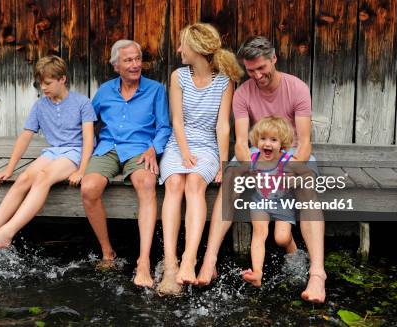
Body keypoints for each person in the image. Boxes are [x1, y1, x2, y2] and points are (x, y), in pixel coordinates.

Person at [197, 36, 327, 303]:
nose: (257, 75)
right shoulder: (243, 92)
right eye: (251, 70)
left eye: (261, 68)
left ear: (274, 59)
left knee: (306, 185)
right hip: (258, 153)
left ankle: (317, 274)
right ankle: (210, 261)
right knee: (231, 176)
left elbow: (303, 142)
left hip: (290, 153)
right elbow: (242, 144)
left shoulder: (297, 88)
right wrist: (256, 172)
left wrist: (286, 172)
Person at [0, 56, 96, 260]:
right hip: (54, 151)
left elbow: (88, 139)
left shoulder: (82, 102)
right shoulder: (40, 106)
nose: (43, 88)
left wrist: (81, 170)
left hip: (75, 151)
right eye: (40, 83)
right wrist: (8, 169)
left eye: (48, 83)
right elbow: (25, 137)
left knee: (43, 176)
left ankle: (7, 234)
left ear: (62, 79)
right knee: (23, 178)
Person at [156, 23, 241, 295]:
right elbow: (177, 121)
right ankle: (170, 263)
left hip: (207, 145)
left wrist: (223, 164)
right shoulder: (179, 76)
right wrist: (183, 152)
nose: (179, 49)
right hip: (179, 143)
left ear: (196, 49)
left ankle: (190, 259)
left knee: (194, 184)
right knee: (173, 185)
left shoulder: (225, 79)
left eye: (183, 45)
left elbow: (222, 126)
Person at [80, 40, 171, 288]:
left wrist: (155, 148)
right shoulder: (105, 91)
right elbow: (87, 120)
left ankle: (143, 261)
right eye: (128, 60)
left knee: (146, 183)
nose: (135, 65)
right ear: (115, 66)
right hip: (108, 148)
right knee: (88, 188)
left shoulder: (155, 90)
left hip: (140, 150)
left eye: (137, 59)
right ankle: (108, 251)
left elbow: (164, 127)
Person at [241, 116, 298, 287]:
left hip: (283, 203)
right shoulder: (253, 158)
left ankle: (294, 255)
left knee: (281, 238)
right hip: (260, 201)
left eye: (273, 140)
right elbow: (242, 171)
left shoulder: (287, 161)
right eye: (263, 138)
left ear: (282, 143)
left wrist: (294, 180)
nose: (267, 143)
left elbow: (303, 177)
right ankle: (257, 273)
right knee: (259, 233)